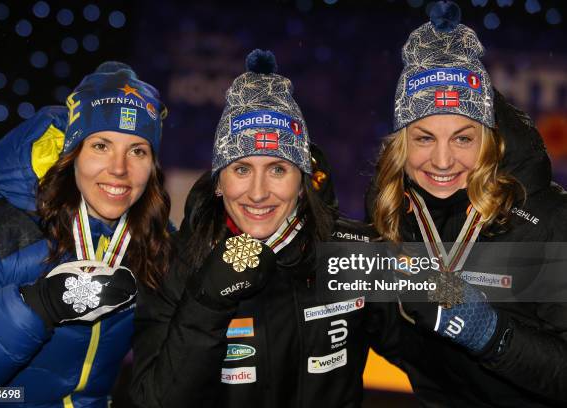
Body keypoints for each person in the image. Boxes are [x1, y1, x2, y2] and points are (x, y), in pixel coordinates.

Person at [130, 50, 390, 408]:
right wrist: (205, 303)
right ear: (218, 181)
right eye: (241, 169)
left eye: (278, 169)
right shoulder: (174, 263)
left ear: (302, 180)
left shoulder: (353, 253)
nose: (258, 192)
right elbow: (153, 402)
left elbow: (442, 365)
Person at [367, 2, 567, 406]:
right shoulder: (392, 205)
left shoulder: (547, 221)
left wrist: (493, 336)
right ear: (402, 143)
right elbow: (413, 341)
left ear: (489, 139)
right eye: (424, 138)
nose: (442, 162)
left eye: (462, 138)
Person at [0, 62, 171, 407]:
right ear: (72, 154)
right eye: (101, 145)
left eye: (137, 150)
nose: (119, 169)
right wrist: (38, 306)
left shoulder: (155, 240)